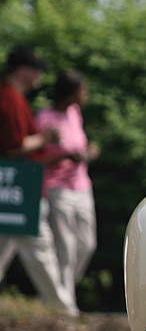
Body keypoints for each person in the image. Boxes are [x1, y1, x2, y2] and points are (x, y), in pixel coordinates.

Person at [0, 46, 78, 315]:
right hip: (20, 190)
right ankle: (64, 312)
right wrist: (45, 139)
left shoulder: (14, 98)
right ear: (22, 71)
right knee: (41, 250)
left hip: (14, 190)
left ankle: (63, 309)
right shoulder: (9, 99)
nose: (40, 77)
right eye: (37, 71)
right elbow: (13, 147)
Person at [36, 69, 99, 292]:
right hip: (58, 188)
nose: (86, 93)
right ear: (71, 93)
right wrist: (66, 155)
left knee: (87, 244)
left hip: (82, 186)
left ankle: (59, 294)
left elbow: (81, 143)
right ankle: (65, 305)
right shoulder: (45, 118)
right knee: (66, 249)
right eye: (83, 89)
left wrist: (88, 151)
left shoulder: (74, 112)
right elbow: (39, 157)